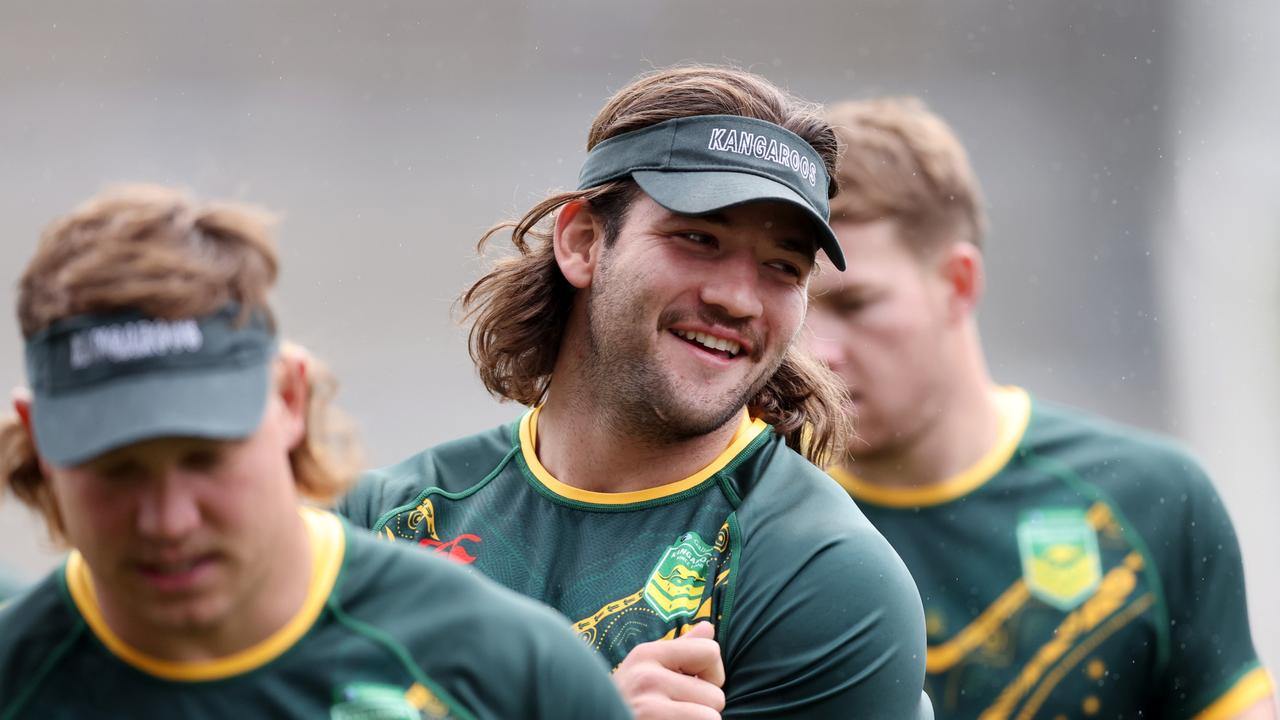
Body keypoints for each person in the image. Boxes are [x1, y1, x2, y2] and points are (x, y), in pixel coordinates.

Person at [339, 66, 933, 719]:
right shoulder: (383, 521)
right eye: (699, 238)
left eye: (782, 267)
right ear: (583, 242)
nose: (737, 298)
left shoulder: (821, 575)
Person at [0, 185, 631, 719]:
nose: (168, 521)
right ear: (37, 435)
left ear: (289, 399)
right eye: (116, 471)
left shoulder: (516, 674)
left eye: (205, 458)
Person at [806, 96, 1276, 720]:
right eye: (798, 303)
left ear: (959, 284)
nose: (816, 352)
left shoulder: (1151, 497)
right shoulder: (750, 516)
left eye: (856, 304)